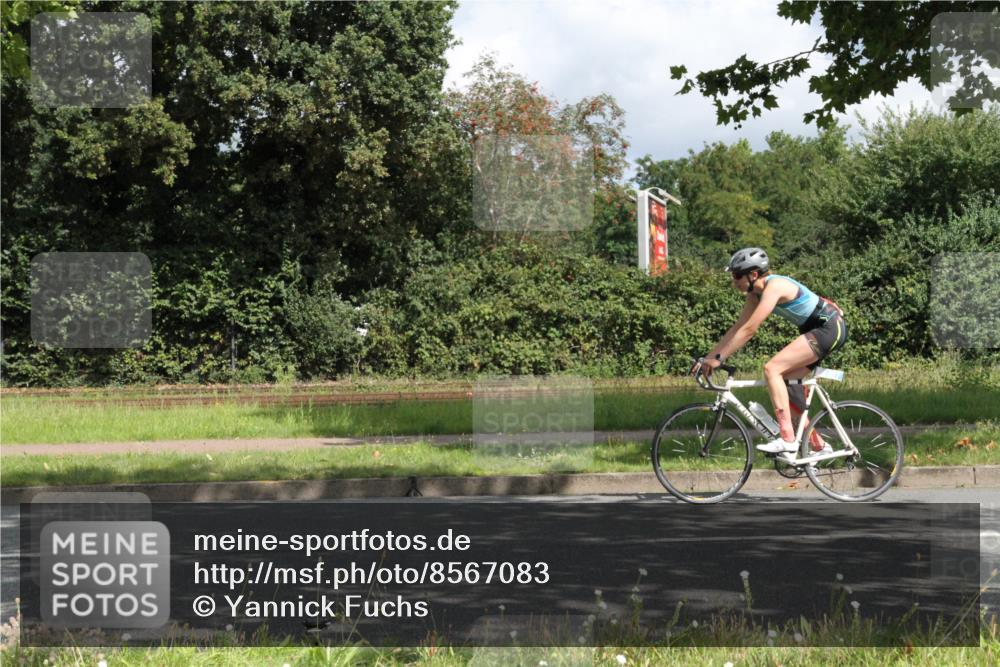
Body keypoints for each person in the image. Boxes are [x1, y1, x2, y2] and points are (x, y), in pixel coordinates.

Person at [693, 247, 848, 455]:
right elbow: (737, 328)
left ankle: (788, 439)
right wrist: (709, 358)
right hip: (818, 330)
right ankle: (820, 447)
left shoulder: (774, 286)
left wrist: (720, 358)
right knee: (786, 384)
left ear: (753, 274)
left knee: (772, 369)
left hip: (828, 328)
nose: (734, 280)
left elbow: (750, 330)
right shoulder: (755, 295)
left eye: (737, 275)